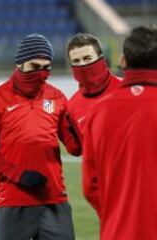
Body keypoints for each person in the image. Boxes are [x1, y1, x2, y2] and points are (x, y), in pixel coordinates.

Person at [0, 33, 81, 240]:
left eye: (47, 68)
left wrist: (85, 121)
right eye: (35, 66)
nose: (41, 74)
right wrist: (18, 174)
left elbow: (76, 148)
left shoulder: (57, 97)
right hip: (13, 201)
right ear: (20, 64)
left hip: (54, 199)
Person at [82, 26, 157, 240]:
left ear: (123, 61)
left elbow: (90, 186)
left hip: (117, 232)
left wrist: (119, 214)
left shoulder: (98, 112)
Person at [66, 33, 121, 133]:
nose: (82, 64)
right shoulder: (71, 107)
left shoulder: (127, 89)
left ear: (101, 58)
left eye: (87, 58)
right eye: (76, 61)